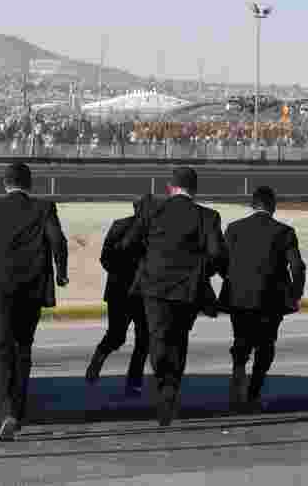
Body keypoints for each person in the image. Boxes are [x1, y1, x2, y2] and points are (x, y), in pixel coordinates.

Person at [0, 162, 69, 442]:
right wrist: (61, 273)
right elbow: (57, 240)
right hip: (32, 288)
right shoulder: (44, 208)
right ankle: (18, 411)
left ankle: (5, 412)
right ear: (29, 184)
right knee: (23, 347)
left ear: (5, 184)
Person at [120, 167, 224, 427]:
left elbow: (127, 244)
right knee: (179, 339)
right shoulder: (208, 216)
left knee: (157, 337)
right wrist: (200, 271)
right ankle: (171, 387)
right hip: (188, 289)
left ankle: (164, 384)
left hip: (153, 287)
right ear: (195, 190)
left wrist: (147, 260)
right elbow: (217, 255)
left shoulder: (152, 210)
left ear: (170, 188)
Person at [218, 186, 306, 411]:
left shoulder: (234, 229)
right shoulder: (285, 231)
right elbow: (297, 267)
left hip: (239, 297)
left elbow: (221, 261)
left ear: (253, 205)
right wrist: (295, 295)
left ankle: (237, 378)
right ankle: (253, 395)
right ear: (273, 206)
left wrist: (232, 279)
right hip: (271, 299)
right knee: (265, 346)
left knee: (241, 339)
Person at [86, 194, 151, 396]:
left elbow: (105, 259)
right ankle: (126, 378)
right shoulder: (127, 227)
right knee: (122, 337)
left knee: (141, 340)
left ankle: (133, 382)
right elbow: (106, 258)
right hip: (127, 293)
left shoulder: (123, 226)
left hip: (133, 293)